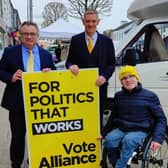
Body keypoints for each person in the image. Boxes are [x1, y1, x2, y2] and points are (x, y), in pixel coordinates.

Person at [0, 21, 56, 168]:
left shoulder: (46, 55)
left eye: (32, 34)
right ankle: (16, 164)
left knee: (39, 137)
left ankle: (36, 162)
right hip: (17, 103)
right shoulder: (10, 52)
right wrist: (11, 77)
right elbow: (0, 71)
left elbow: (55, 73)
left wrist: (51, 74)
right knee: (18, 137)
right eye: (26, 34)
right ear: (20, 35)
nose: (29, 37)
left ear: (37, 36)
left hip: (41, 105)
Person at [100, 65, 167, 168]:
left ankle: (120, 166)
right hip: (122, 128)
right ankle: (118, 164)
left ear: (136, 78)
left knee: (128, 140)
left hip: (140, 129)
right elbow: (113, 116)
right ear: (121, 82)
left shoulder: (150, 96)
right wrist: (104, 133)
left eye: (131, 76)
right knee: (109, 140)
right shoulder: (118, 96)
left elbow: (161, 118)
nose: (128, 80)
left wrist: (157, 139)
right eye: (124, 78)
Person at [65, 9, 116, 131]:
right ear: (83, 21)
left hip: (99, 88)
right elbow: (68, 61)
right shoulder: (76, 40)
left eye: (93, 21)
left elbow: (111, 64)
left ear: (98, 22)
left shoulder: (107, 41)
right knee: (79, 118)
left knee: (97, 118)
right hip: (79, 89)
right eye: (88, 21)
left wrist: (104, 77)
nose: (90, 24)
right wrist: (71, 66)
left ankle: (96, 147)